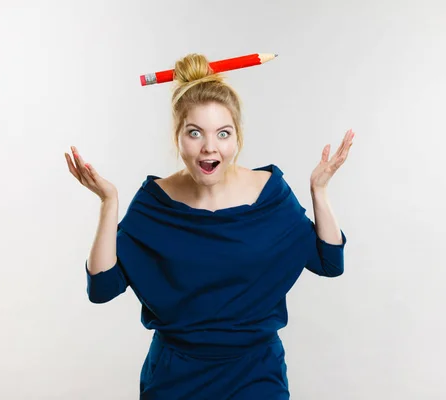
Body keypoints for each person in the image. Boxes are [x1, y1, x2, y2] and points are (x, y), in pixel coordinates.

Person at [64, 53, 354, 399]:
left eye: (223, 133)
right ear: (178, 137)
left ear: (237, 139)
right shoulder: (154, 202)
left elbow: (329, 262)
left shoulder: (269, 193)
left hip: (256, 374)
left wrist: (319, 191)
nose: (209, 147)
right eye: (195, 133)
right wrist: (107, 202)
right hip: (175, 378)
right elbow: (102, 288)